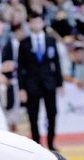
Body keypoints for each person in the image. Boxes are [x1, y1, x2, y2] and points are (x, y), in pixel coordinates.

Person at [18, 13, 63, 151]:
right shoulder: (24, 43)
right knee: (33, 115)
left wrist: (60, 83)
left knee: (52, 114)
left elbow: (57, 63)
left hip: (49, 83)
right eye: (33, 22)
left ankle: (51, 143)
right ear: (29, 24)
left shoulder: (51, 41)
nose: (36, 24)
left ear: (43, 23)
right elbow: (21, 67)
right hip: (31, 84)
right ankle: (36, 144)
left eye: (38, 22)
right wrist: (21, 88)